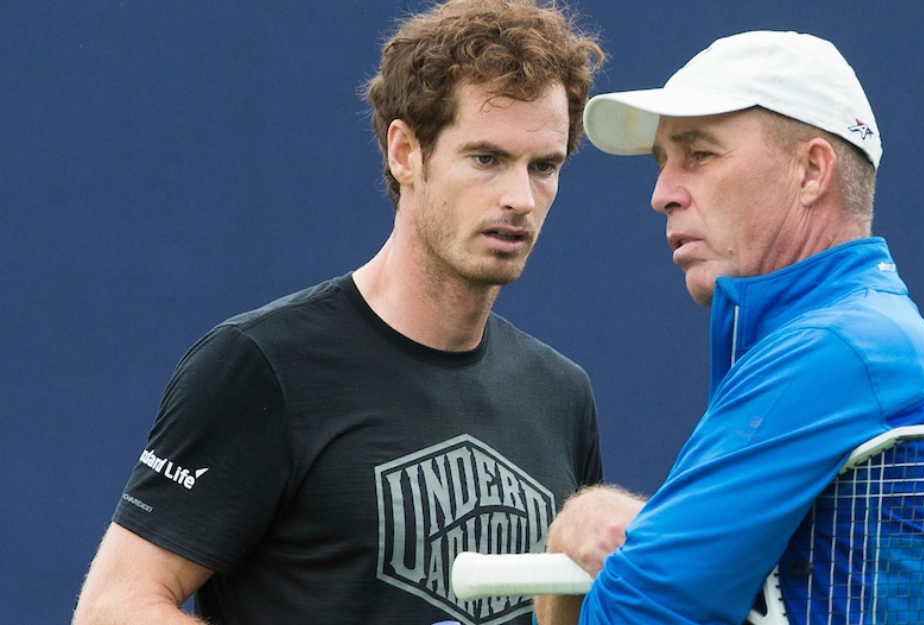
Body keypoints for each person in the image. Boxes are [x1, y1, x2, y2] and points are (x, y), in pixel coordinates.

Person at [72, 2, 605, 624]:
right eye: (485, 158)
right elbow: (114, 608)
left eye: (544, 166)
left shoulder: (562, 394)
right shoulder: (264, 364)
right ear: (405, 152)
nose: (520, 198)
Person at [535, 31, 924, 625]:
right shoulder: (853, 338)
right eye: (662, 162)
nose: (662, 193)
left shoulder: (839, 349)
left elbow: (635, 616)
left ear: (811, 171)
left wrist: (578, 543)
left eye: (699, 154)